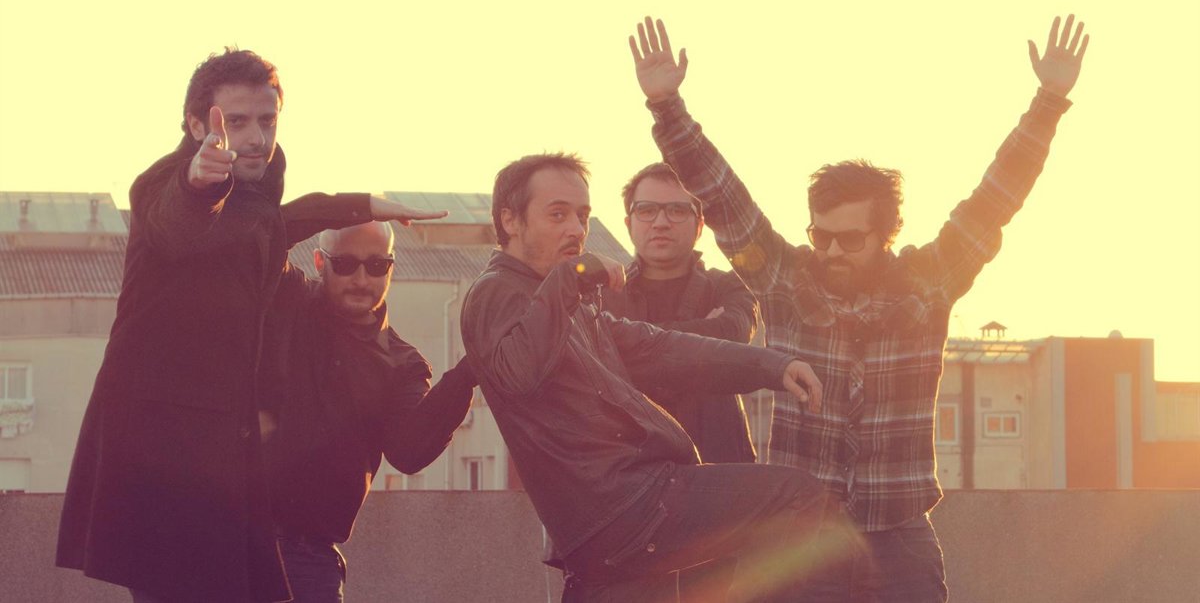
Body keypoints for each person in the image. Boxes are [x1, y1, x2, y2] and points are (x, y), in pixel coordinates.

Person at [628, 14, 1090, 602]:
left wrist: (1048, 103)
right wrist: (667, 107)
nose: (831, 251)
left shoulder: (929, 283)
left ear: (887, 233)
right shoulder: (783, 279)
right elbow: (722, 197)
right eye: (821, 235)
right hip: (797, 540)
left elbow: (995, 200)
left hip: (898, 537)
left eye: (850, 239)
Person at [55, 48, 445, 603]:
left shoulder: (259, 189)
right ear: (197, 126)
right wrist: (200, 182)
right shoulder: (165, 183)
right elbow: (179, 222)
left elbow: (270, 226)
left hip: (222, 467)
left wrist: (358, 204)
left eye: (267, 120)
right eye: (236, 122)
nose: (257, 137)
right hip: (162, 461)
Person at [460, 152, 848, 602]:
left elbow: (659, 347)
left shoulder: (561, 301)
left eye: (582, 216)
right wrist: (571, 277)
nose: (576, 230)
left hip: (621, 519)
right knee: (798, 496)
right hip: (629, 505)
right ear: (510, 220)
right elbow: (518, 374)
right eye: (558, 214)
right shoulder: (497, 291)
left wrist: (773, 366)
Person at [260, 220, 475, 603]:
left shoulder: (403, 363)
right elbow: (263, 233)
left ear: (391, 267)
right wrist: (361, 206)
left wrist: (470, 372)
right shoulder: (289, 301)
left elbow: (408, 452)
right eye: (345, 264)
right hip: (225, 537)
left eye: (376, 265)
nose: (361, 279)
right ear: (320, 262)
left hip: (307, 558)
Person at [604, 163, 761, 602]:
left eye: (676, 210)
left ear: (699, 224)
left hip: (718, 478)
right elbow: (602, 360)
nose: (660, 221)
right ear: (629, 222)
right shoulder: (604, 294)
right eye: (647, 210)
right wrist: (701, 339)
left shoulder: (730, 287)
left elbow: (734, 338)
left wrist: (638, 345)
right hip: (632, 486)